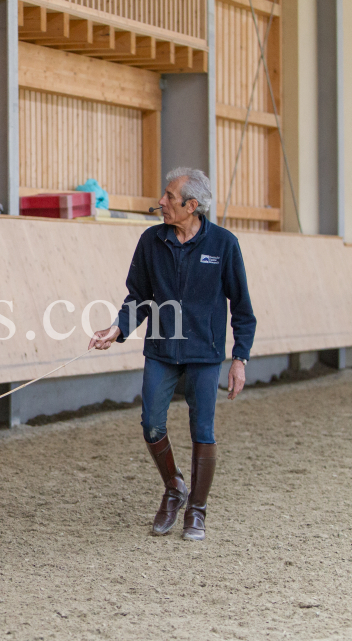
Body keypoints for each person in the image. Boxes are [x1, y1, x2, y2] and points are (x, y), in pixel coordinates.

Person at [89, 167, 256, 541]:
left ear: (192, 205)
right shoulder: (151, 241)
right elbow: (138, 298)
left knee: (203, 430)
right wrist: (116, 328)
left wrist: (239, 359)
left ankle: (196, 510)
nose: (160, 203)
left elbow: (243, 309)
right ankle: (174, 487)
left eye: (168, 197)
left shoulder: (224, 245)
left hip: (205, 351)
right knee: (151, 423)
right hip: (162, 348)